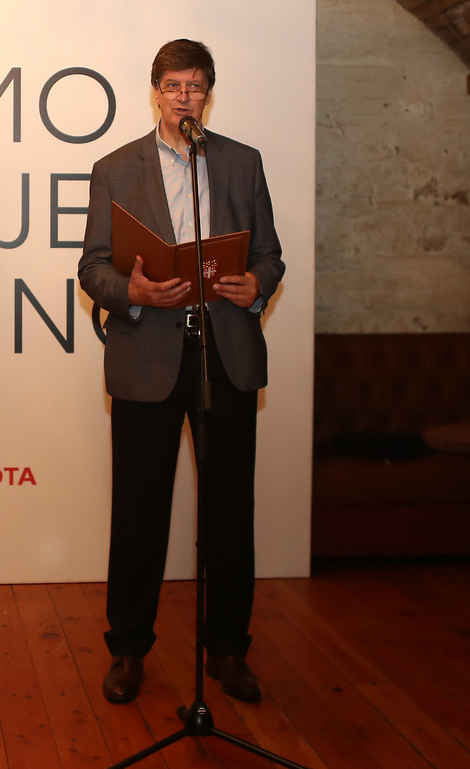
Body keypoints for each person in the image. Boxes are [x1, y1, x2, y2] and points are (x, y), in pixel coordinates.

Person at [78, 39, 285, 705]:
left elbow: (270, 255)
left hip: (225, 355)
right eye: (172, 85)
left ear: (208, 93)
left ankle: (227, 650)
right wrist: (133, 292)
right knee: (139, 513)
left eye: (195, 85)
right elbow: (93, 267)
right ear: (156, 92)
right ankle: (128, 650)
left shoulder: (242, 162)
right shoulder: (115, 169)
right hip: (147, 356)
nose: (184, 97)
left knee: (229, 512)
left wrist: (256, 284)